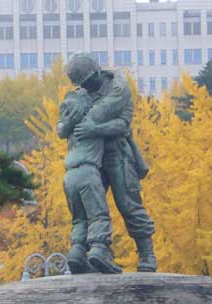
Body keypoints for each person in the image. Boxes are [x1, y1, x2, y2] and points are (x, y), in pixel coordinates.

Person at [65, 52, 157, 273]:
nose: (85, 87)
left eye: (88, 81)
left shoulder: (119, 89)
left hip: (117, 154)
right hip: (90, 158)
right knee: (89, 207)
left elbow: (122, 125)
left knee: (129, 204)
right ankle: (87, 253)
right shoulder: (81, 95)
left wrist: (94, 129)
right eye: (82, 84)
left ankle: (146, 254)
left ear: (97, 72)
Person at [57, 88, 125, 274]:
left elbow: (60, 129)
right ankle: (99, 250)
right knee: (98, 215)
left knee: (79, 218)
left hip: (69, 177)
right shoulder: (91, 119)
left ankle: (77, 251)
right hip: (88, 171)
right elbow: (120, 126)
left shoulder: (69, 126)